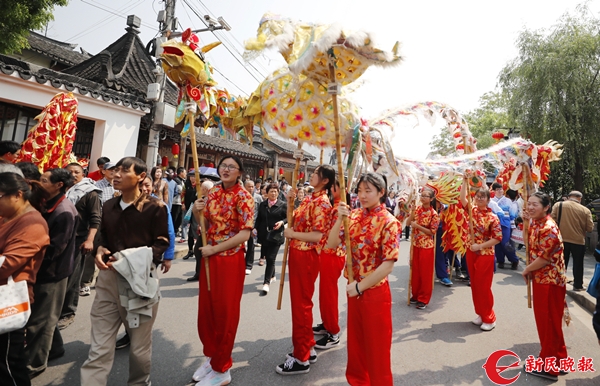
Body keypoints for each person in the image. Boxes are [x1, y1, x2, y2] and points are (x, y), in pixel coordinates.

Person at [80, 157, 170, 385]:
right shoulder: (109, 205)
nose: (116, 175)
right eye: (115, 170)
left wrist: (130, 257)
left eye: (123, 171)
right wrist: (99, 250)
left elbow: (161, 243)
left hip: (139, 283)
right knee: (99, 348)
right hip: (108, 280)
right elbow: (104, 239)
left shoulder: (155, 207)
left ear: (141, 177)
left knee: (139, 350)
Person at [326, 172, 400, 385]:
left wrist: (360, 287)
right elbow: (331, 244)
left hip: (374, 292)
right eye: (360, 190)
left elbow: (388, 264)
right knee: (356, 345)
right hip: (354, 289)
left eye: (368, 190)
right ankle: (358, 381)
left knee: (377, 348)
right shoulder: (354, 216)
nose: (363, 195)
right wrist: (340, 218)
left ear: (381, 192)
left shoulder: (389, 222)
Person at [191, 155, 254, 386]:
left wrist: (214, 248)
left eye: (231, 167)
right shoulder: (213, 193)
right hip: (210, 257)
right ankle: (212, 357)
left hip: (229, 259)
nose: (226, 169)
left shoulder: (244, 197)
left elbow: (244, 234)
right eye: (223, 166)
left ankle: (222, 369)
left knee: (225, 313)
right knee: (207, 311)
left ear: (240, 172)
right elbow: (205, 227)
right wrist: (199, 211)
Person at [276, 165, 335, 375]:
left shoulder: (322, 202)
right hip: (299, 254)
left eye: (315, 173)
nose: (311, 175)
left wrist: (291, 235)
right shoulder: (311, 197)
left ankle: (301, 357)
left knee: (301, 305)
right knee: (301, 303)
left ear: (325, 180)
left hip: (307, 255)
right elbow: (296, 221)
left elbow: (317, 236)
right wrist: (291, 202)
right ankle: (308, 346)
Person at [25, 169, 78, 378]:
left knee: (41, 320)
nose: (40, 182)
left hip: (53, 272)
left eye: (44, 180)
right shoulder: (47, 203)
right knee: (45, 315)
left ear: (58, 185)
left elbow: (55, 249)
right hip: (43, 270)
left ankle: (34, 364)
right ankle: (55, 348)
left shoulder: (64, 211)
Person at [114, 175, 176, 351]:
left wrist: (168, 257)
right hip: (123, 259)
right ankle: (130, 332)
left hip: (147, 260)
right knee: (124, 299)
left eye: (147, 185)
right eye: (141, 186)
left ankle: (138, 335)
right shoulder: (120, 203)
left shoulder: (158, 206)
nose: (144, 189)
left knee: (141, 297)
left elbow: (169, 232)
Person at [0, 170, 50, 386]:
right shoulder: (7, 216)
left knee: (8, 365)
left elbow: (6, 265)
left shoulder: (33, 224)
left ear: (17, 195)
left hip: (8, 301)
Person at [521, 192, 568, 381]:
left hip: (549, 281)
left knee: (547, 323)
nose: (531, 207)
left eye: (535, 204)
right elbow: (529, 244)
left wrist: (526, 270)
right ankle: (560, 360)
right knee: (552, 323)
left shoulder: (548, 228)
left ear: (546, 207)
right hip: (543, 279)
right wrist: (526, 224)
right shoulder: (536, 224)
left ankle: (549, 367)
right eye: (529, 204)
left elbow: (543, 258)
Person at [58, 163, 102, 328]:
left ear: (83, 174)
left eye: (77, 172)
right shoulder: (62, 190)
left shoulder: (90, 193)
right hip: (60, 239)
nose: (73, 175)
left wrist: (90, 239)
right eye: (70, 172)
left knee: (73, 276)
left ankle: (68, 312)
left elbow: (95, 218)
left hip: (78, 239)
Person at [459, 174, 502, 331]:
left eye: (483, 197)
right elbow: (462, 198)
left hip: (485, 255)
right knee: (475, 286)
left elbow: (498, 238)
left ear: (488, 199)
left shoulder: (493, 218)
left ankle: (490, 318)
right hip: (471, 252)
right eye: (477, 196)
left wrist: (481, 246)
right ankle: (481, 313)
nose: (479, 199)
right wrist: (464, 181)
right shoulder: (471, 210)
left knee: (484, 287)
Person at [313, 180, 345, 349]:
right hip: (326, 252)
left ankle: (333, 332)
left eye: (335, 186)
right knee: (324, 292)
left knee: (329, 293)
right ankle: (327, 323)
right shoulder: (335, 204)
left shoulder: (342, 207)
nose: (331, 189)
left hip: (334, 254)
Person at [551, 191, 594, 291]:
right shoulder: (585, 210)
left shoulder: (558, 205)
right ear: (580, 198)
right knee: (578, 264)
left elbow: (552, 220)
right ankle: (578, 285)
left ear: (569, 197)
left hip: (561, 239)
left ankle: (558, 284)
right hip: (578, 241)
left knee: (561, 263)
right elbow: (590, 228)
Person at [407, 188, 440, 310]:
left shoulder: (434, 214)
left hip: (426, 246)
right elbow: (407, 224)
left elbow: (432, 232)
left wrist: (418, 226)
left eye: (426, 196)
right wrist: (411, 213)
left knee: (425, 273)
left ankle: (423, 298)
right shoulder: (417, 210)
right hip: (415, 244)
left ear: (431, 199)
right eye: (422, 195)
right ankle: (415, 295)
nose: (423, 197)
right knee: (415, 271)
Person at [254, 183, 287, 293]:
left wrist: (282, 222)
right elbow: (259, 219)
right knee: (267, 257)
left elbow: (289, 217)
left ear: (278, 192)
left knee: (271, 258)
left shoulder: (283, 205)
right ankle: (272, 276)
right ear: (266, 193)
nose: (273, 193)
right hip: (264, 235)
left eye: (275, 191)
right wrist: (255, 229)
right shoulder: (263, 204)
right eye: (271, 191)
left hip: (276, 236)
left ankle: (266, 283)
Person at [187, 179, 214, 282]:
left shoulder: (213, 200)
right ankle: (199, 273)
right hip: (203, 229)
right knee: (198, 251)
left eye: (202, 188)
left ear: (206, 189)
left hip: (212, 232)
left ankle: (207, 275)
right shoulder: (201, 199)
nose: (200, 190)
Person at [491, 183, 519, 270]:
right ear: (494, 191)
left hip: (506, 224)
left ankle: (514, 259)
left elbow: (512, 213)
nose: (500, 191)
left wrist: (512, 224)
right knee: (497, 243)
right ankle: (501, 260)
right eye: (498, 189)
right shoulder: (491, 201)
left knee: (505, 243)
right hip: (495, 223)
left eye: (501, 189)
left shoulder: (508, 201)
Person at [244, 179, 262, 275]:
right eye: (249, 186)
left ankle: (248, 265)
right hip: (242, 225)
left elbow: (260, 212)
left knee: (251, 245)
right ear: (244, 187)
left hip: (253, 224)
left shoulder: (258, 198)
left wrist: (258, 226)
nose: (251, 188)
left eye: (252, 186)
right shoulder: (241, 197)